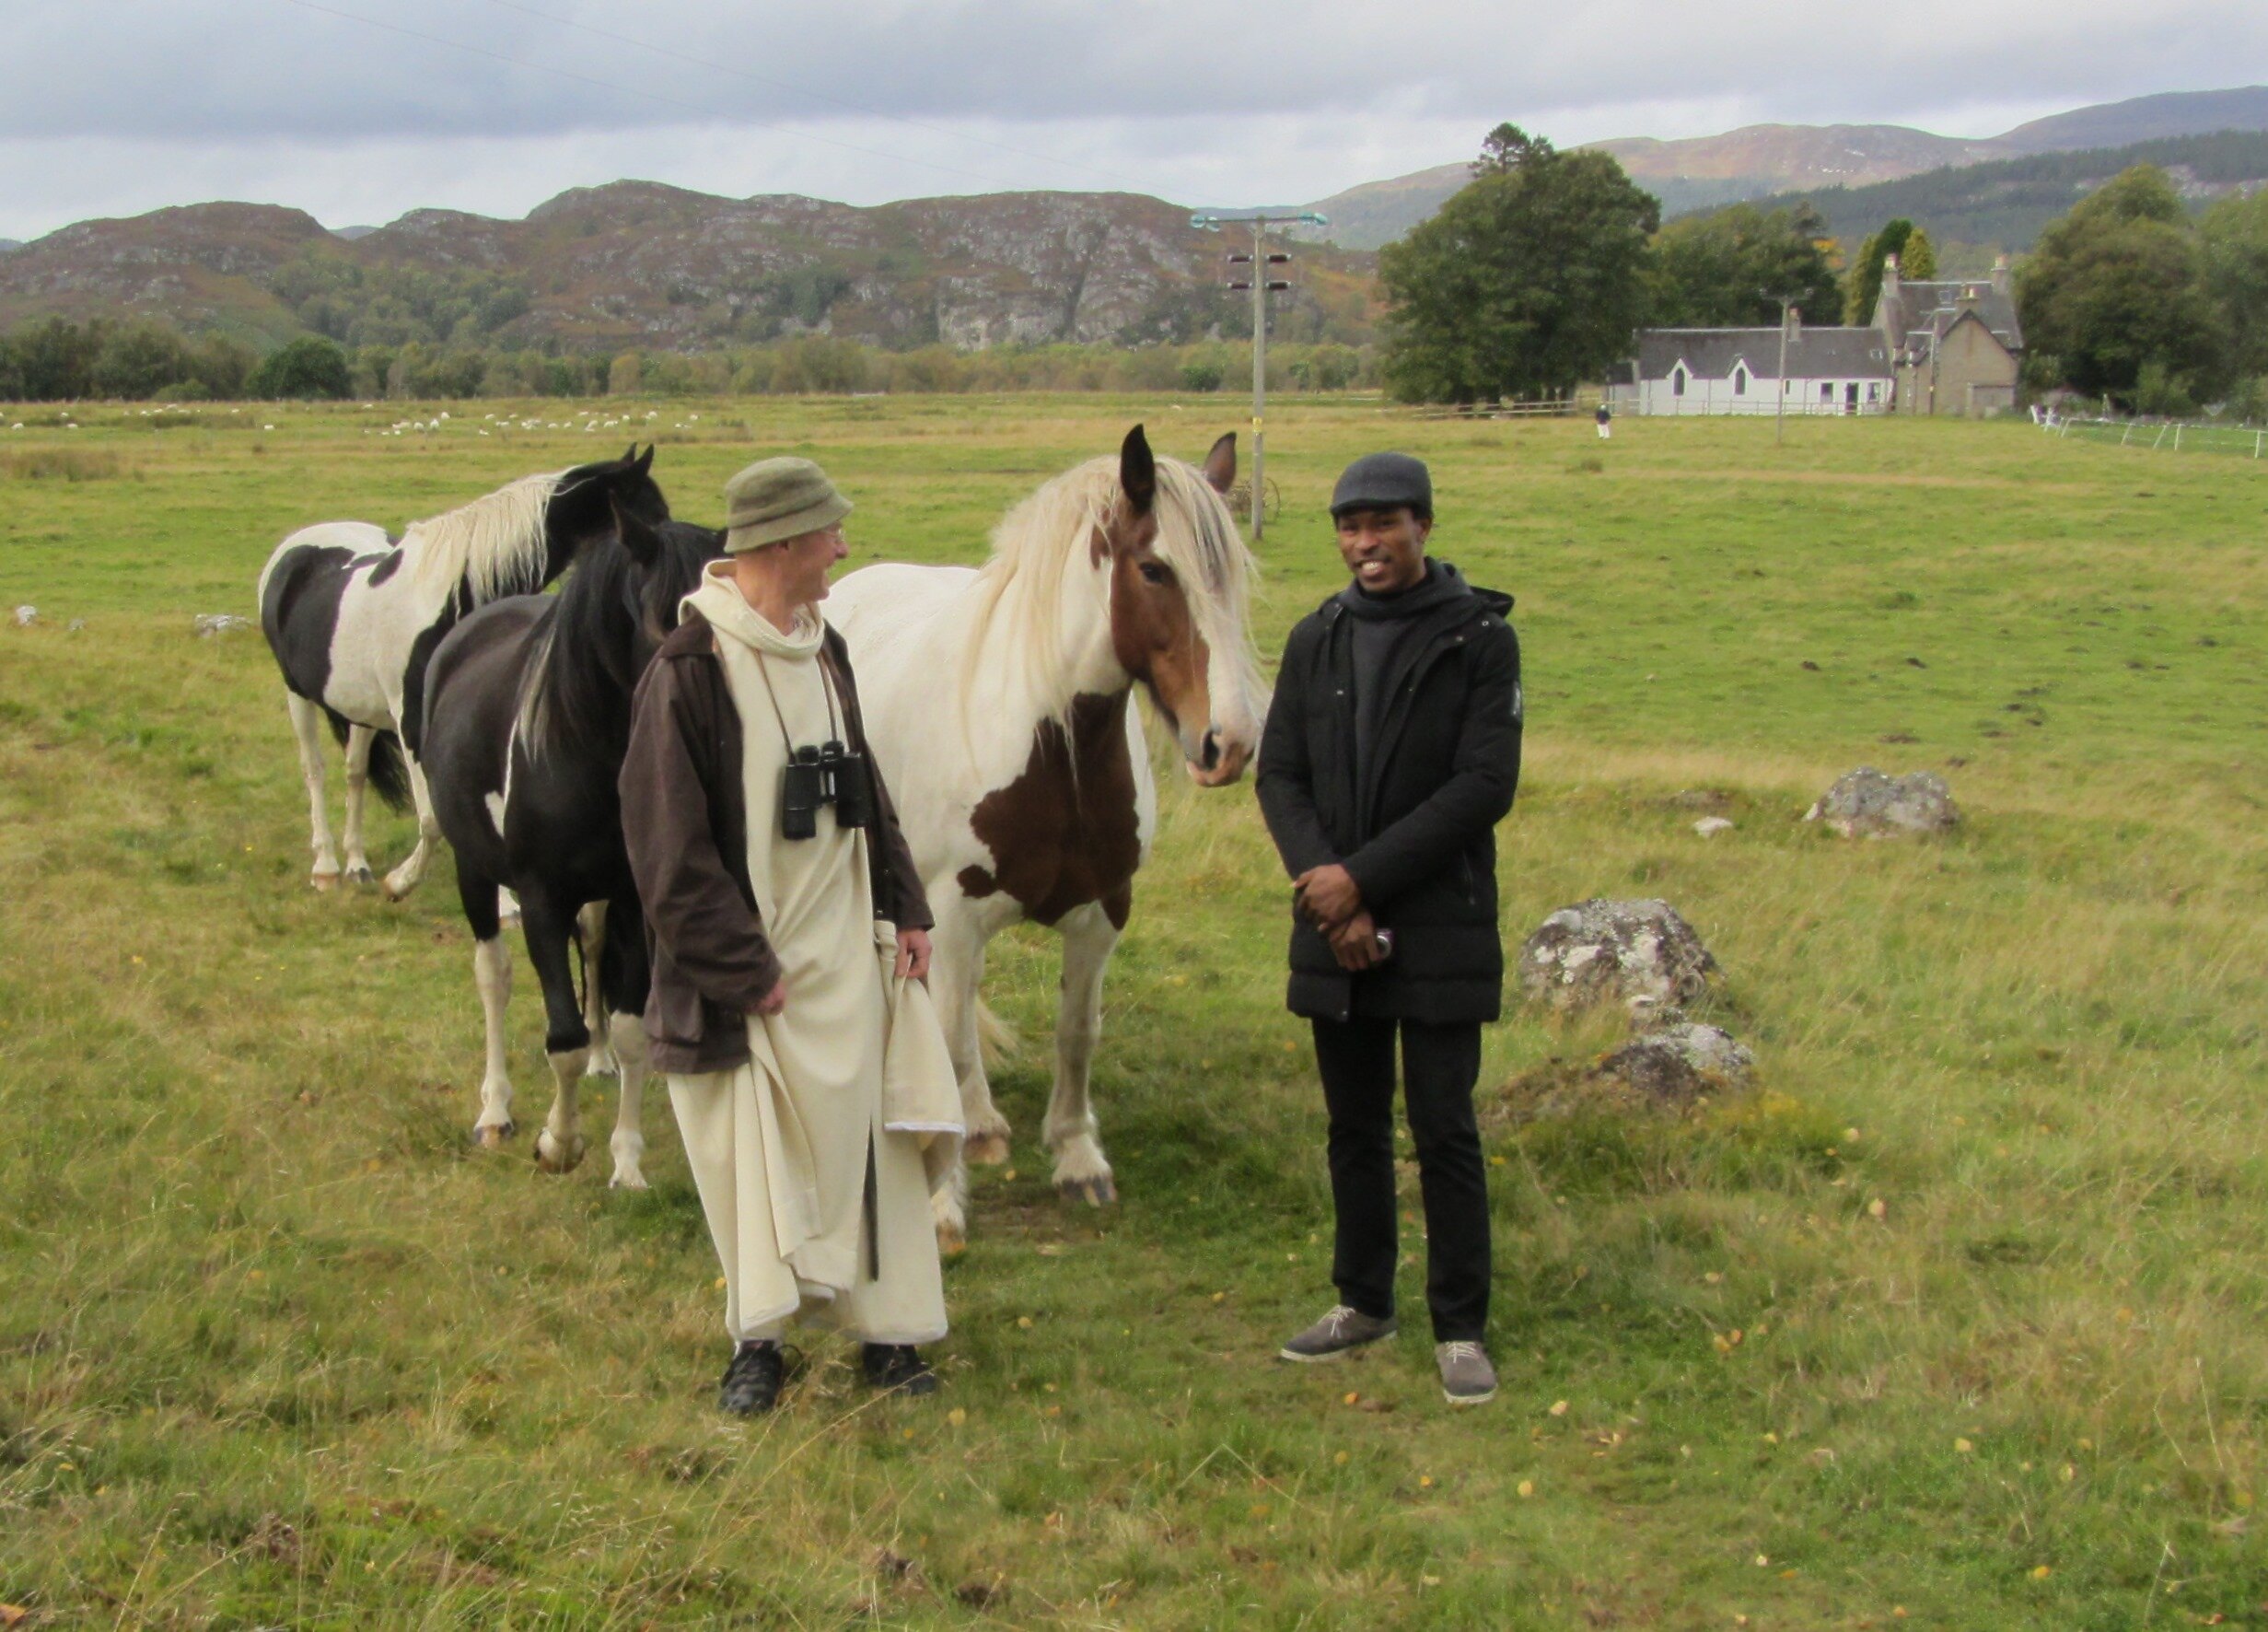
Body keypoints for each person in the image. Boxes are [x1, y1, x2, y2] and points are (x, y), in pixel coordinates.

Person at [621, 457, 960, 1416]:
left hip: (847, 956)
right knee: (754, 1161)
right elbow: (665, 848)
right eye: (829, 534)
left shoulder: (825, 647)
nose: (844, 549)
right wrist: (746, 970)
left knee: (871, 1151)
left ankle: (887, 1334)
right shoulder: (689, 668)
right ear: (778, 543)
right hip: (749, 982)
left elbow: (865, 786)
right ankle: (758, 1341)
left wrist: (909, 908)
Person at [1254, 451, 1522, 1407]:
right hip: (1335, 927)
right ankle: (1363, 1301)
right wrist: (1331, 893)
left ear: (1424, 524)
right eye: (1349, 524)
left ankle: (1460, 1325)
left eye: (1384, 522)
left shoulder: (1479, 640)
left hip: (1438, 921)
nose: (1364, 541)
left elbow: (1483, 785)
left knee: (1443, 1124)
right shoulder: (1315, 636)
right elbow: (1279, 774)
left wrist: (1357, 880)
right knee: (1353, 1125)